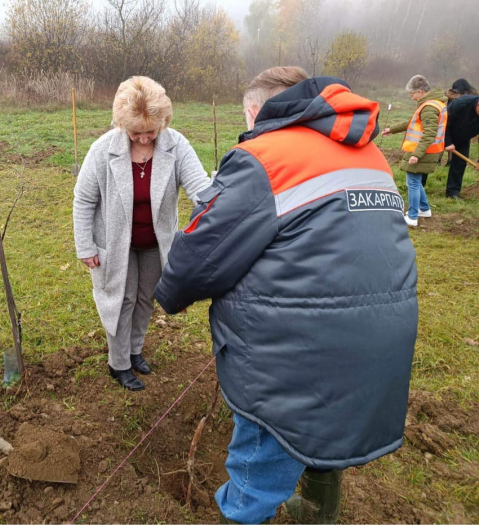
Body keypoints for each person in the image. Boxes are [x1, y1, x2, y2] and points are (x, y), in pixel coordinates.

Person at [154, 67, 418, 524]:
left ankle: (245, 514)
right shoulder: (371, 154)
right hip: (382, 345)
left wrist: (168, 294)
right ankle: (318, 510)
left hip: (293, 359)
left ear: (256, 111)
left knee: (259, 466)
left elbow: (195, 260)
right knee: (326, 434)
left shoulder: (264, 157)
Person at [73, 76, 210, 391]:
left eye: (152, 131)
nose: (146, 139)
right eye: (137, 132)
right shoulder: (102, 151)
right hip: (115, 243)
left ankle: (135, 351)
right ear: (122, 124)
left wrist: (220, 207)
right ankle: (118, 363)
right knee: (121, 299)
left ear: (163, 121)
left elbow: (201, 188)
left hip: (154, 243)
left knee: (146, 299)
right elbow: (84, 200)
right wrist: (86, 245)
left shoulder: (176, 145)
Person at [382, 75, 447, 227]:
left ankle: (412, 217)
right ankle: (424, 209)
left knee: (412, 183)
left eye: (412, 94)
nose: (411, 98)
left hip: (422, 151)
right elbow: (412, 122)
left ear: (420, 91)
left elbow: (429, 134)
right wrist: (391, 129)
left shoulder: (429, 107)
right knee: (415, 182)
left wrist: (416, 155)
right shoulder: (432, 104)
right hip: (426, 150)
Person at [444, 84, 479, 199]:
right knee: (429, 158)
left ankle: (452, 192)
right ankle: (419, 185)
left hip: (463, 137)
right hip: (444, 132)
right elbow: (445, 122)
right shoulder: (461, 103)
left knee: (460, 162)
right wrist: (448, 142)